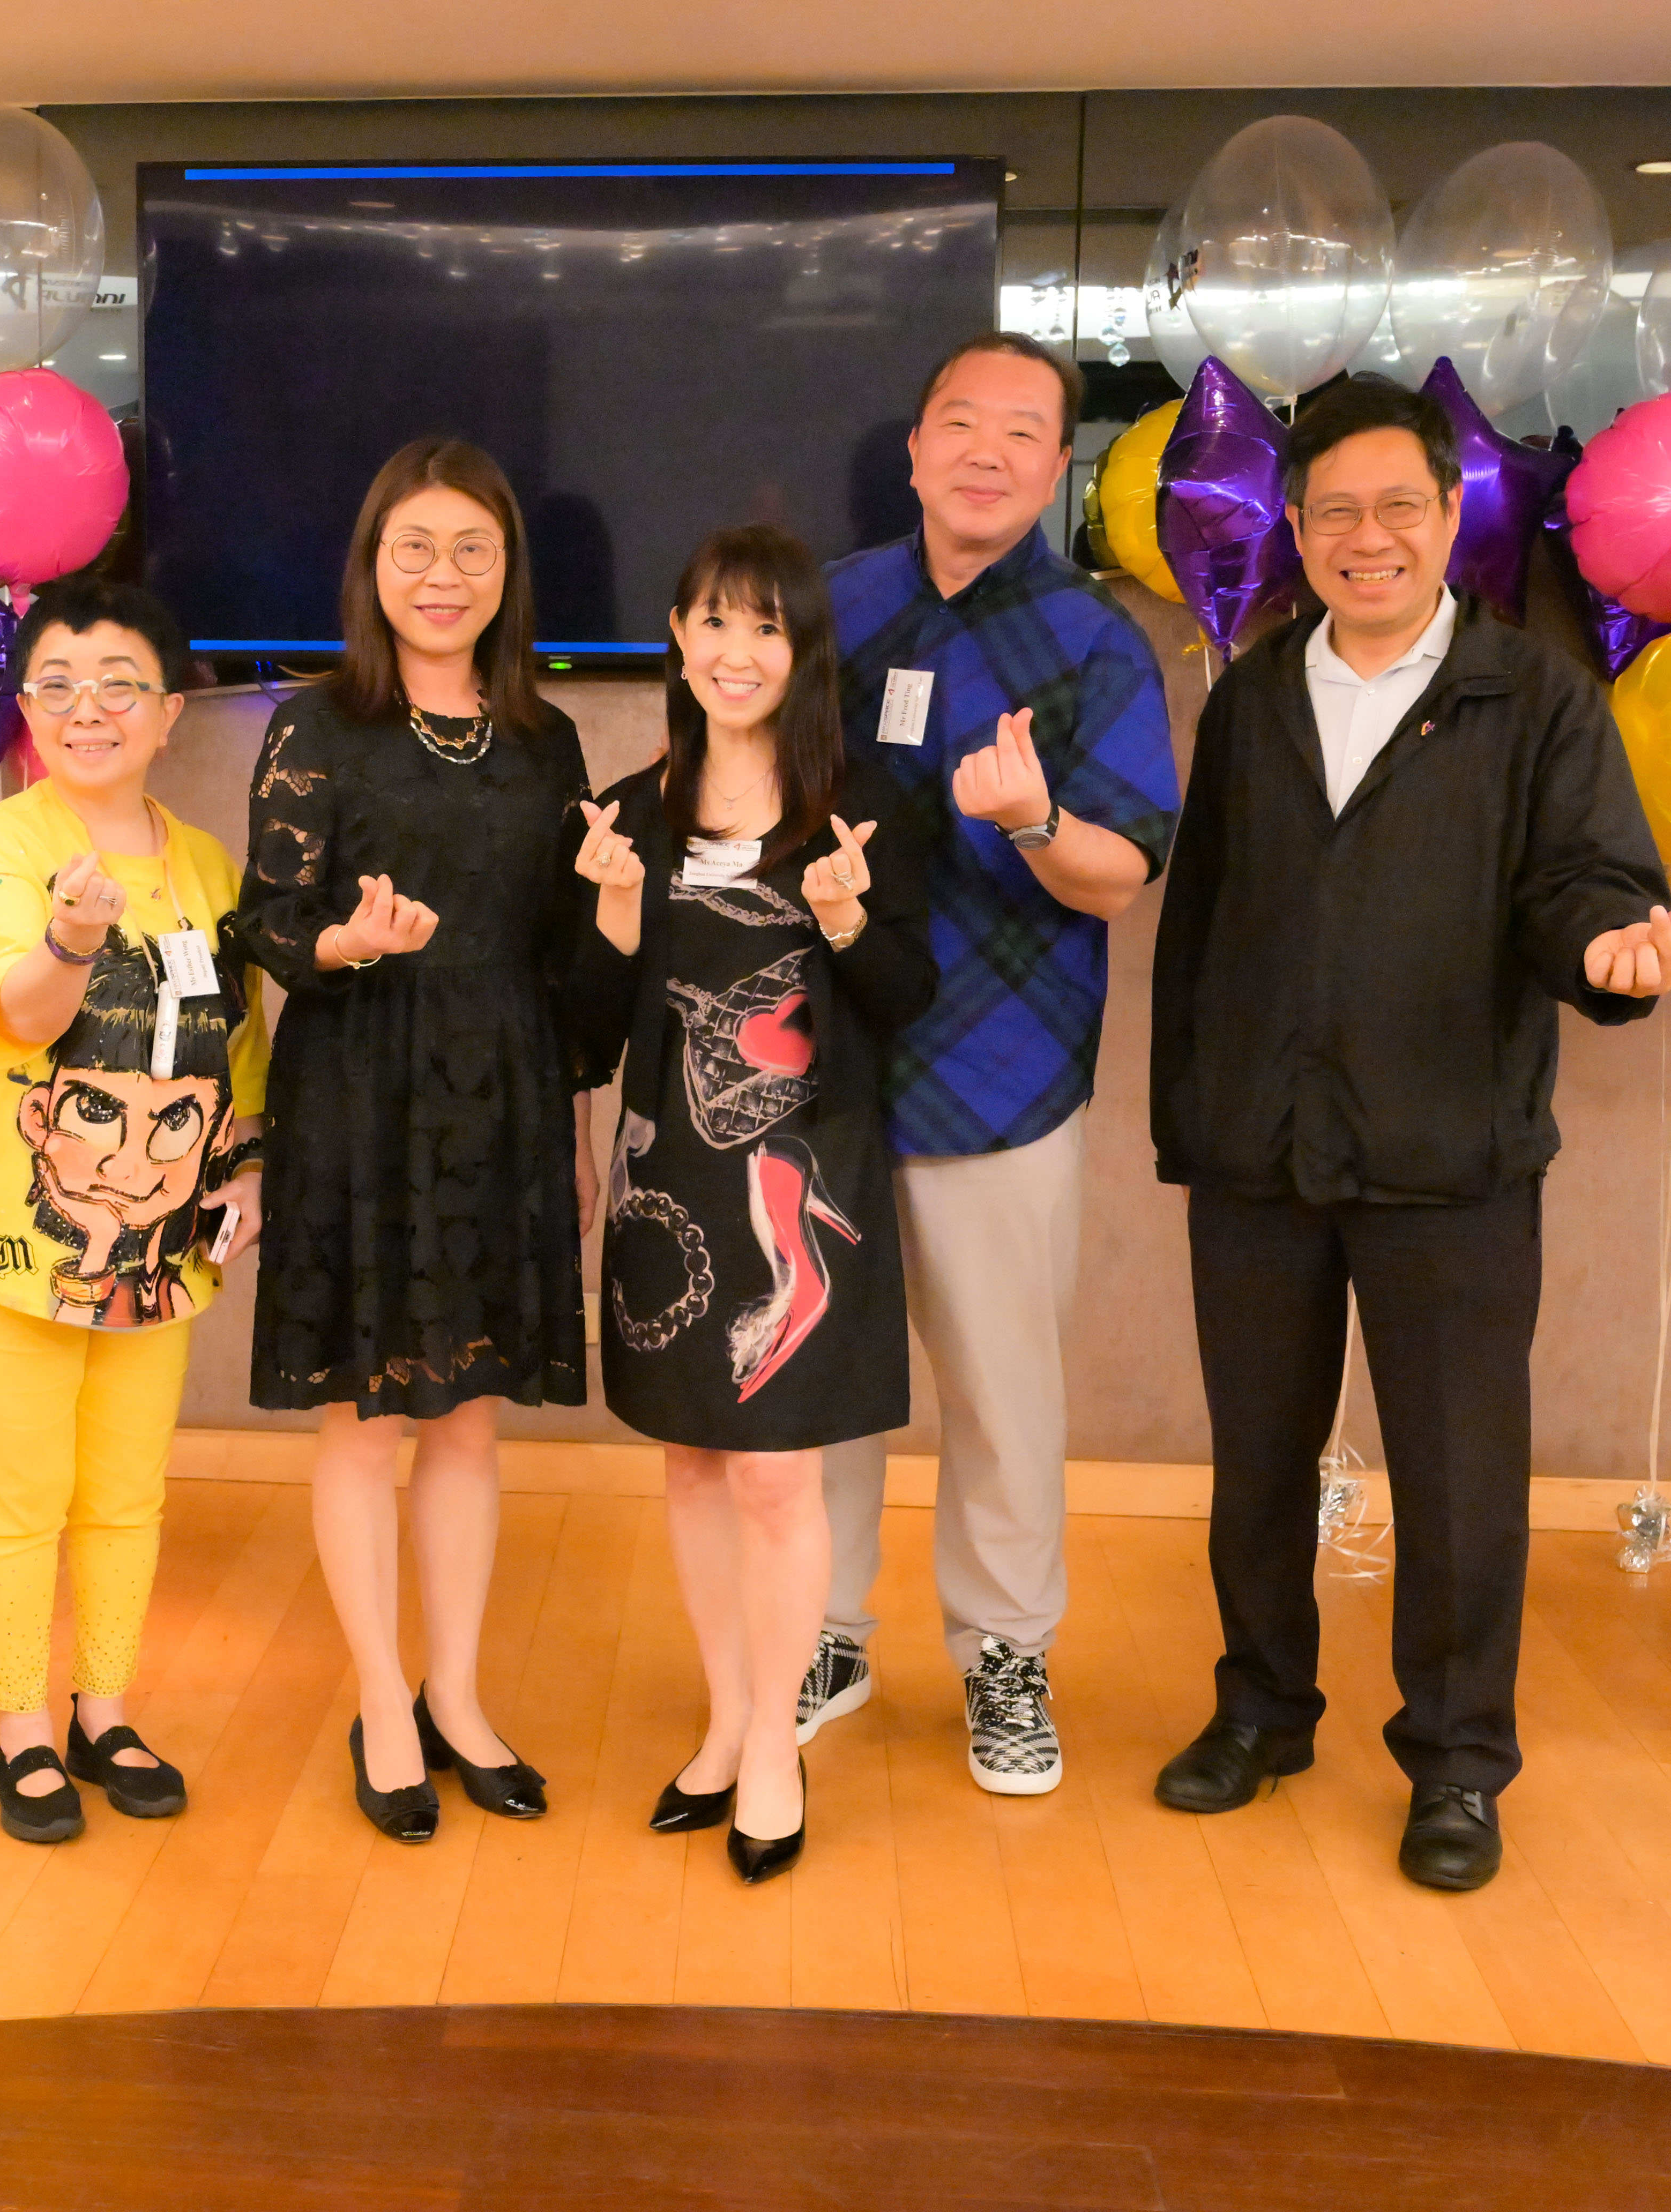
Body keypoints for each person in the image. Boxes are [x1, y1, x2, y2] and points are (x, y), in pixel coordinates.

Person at [1149, 375, 1671, 1892]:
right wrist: (1193, 1116)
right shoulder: (1254, 695)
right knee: (1257, 1461)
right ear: (1297, 528)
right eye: (1335, 512)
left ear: (1452, 516)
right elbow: (1201, 925)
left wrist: (1609, 955)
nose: (1366, 537)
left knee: (1457, 1480)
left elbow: (1589, 881)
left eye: (1398, 506)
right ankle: (1262, 1710)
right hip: (1261, 1153)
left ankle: (1455, 1761)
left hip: (1453, 1156)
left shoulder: (1535, 699)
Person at [812, 334, 1181, 1797]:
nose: (987, 451)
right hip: (825, 1064)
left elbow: (1120, 874)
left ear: (1058, 468)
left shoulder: (1096, 642)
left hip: (1001, 1074)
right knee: (817, 1373)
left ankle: (1006, 1656)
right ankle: (822, 1632)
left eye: (1023, 431)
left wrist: (1032, 821)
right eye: (960, 422)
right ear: (913, 451)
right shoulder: (830, 608)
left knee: (1003, 1396)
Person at [233, 437, 598, 1845]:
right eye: (414, 548)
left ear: (509, 571)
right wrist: (350, 940)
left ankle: (458, 1695)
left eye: (471, 550)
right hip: (360, 1086)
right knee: (366, 1415)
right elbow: (271, 921)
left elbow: (563, 956)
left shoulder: (547, 740)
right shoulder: (316, 724)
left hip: (506, 1090)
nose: (442, 577)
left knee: (469, 1415)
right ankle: (382, 1702)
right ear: (372, 565)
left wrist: (574, 1127)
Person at [565, 525, 933, 1885]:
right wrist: (612, 923)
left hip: (804, 1180)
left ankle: (775, 1743)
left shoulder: (859, 808)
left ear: (803, 652)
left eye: (767, 628)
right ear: (677, 636)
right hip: (668, 1176)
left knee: (779, 1471)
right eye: (715, 621)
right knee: (693, 1462)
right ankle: (724, 1722)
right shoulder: (623, 815)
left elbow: (907, 999)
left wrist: (845, 922)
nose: (737, 651)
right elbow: (587, 1033)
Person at [0, 576, 267, 1844]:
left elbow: (239, 1051)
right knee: (24, 1496)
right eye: (55, 685)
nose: (86, 709)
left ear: (170, 713)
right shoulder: (0, 848)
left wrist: (248, 1170)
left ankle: (104, 1713)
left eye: (119, 685)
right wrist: (65, 939)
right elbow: (22, 1017)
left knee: (125, 1494)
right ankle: (22, 1731)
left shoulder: (207, 864)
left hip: (160, 1246)